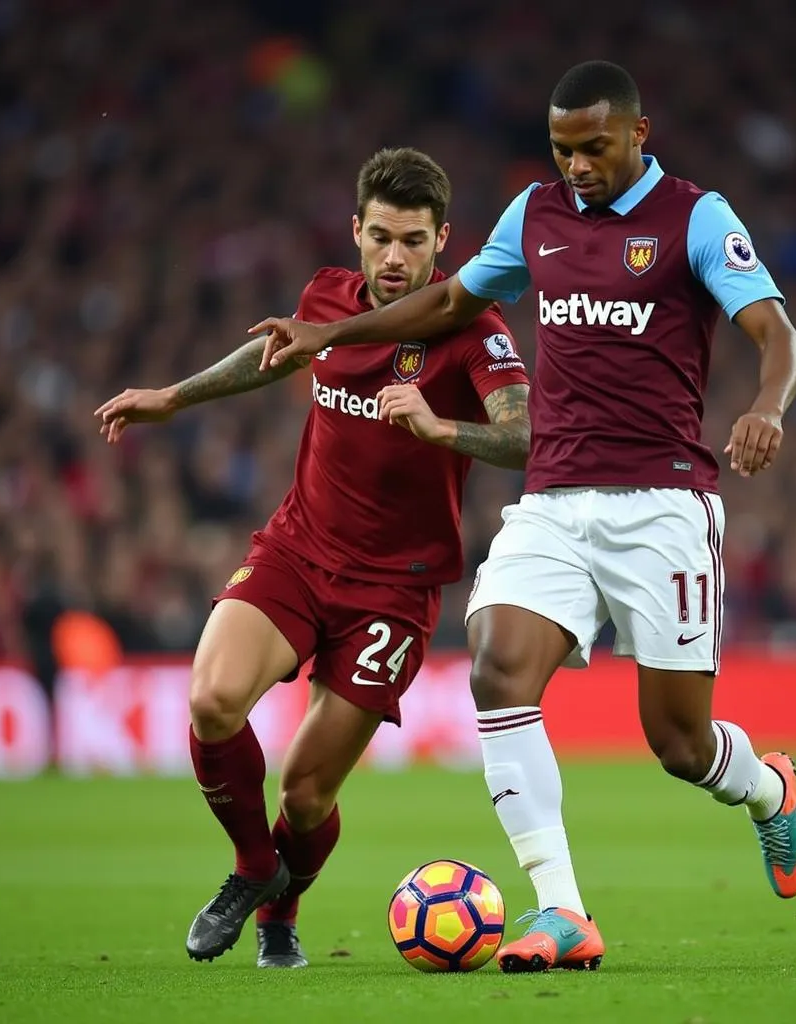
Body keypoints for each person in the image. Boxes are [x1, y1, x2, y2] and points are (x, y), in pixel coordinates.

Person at [250, 61, 796, 974]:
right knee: (497, 671)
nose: (578, 165)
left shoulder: (696, 218)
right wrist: (329, 334)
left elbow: (779, 335)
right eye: (563, 149)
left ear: (638, 132)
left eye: (594, 147)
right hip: (553, 498)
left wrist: (768, 408)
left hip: (663, 502)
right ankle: (562, 912)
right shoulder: (534, 214)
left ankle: (766, 788)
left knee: (676, 742)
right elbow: (447, 300)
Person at [95, 148, 531, 968]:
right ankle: (252, 869)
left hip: (393, 592)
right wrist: (173, 397)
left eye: (413, 239)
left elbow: (522, 434)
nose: (395, 257)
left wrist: (444, 429)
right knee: (213, 700)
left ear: (444, 241)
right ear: (355, 233)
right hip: (298, 548)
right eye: (380, 237)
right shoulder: (325, 298)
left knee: (305, 792)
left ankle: (278, 916)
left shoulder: (477, 330)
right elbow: (270, 355)